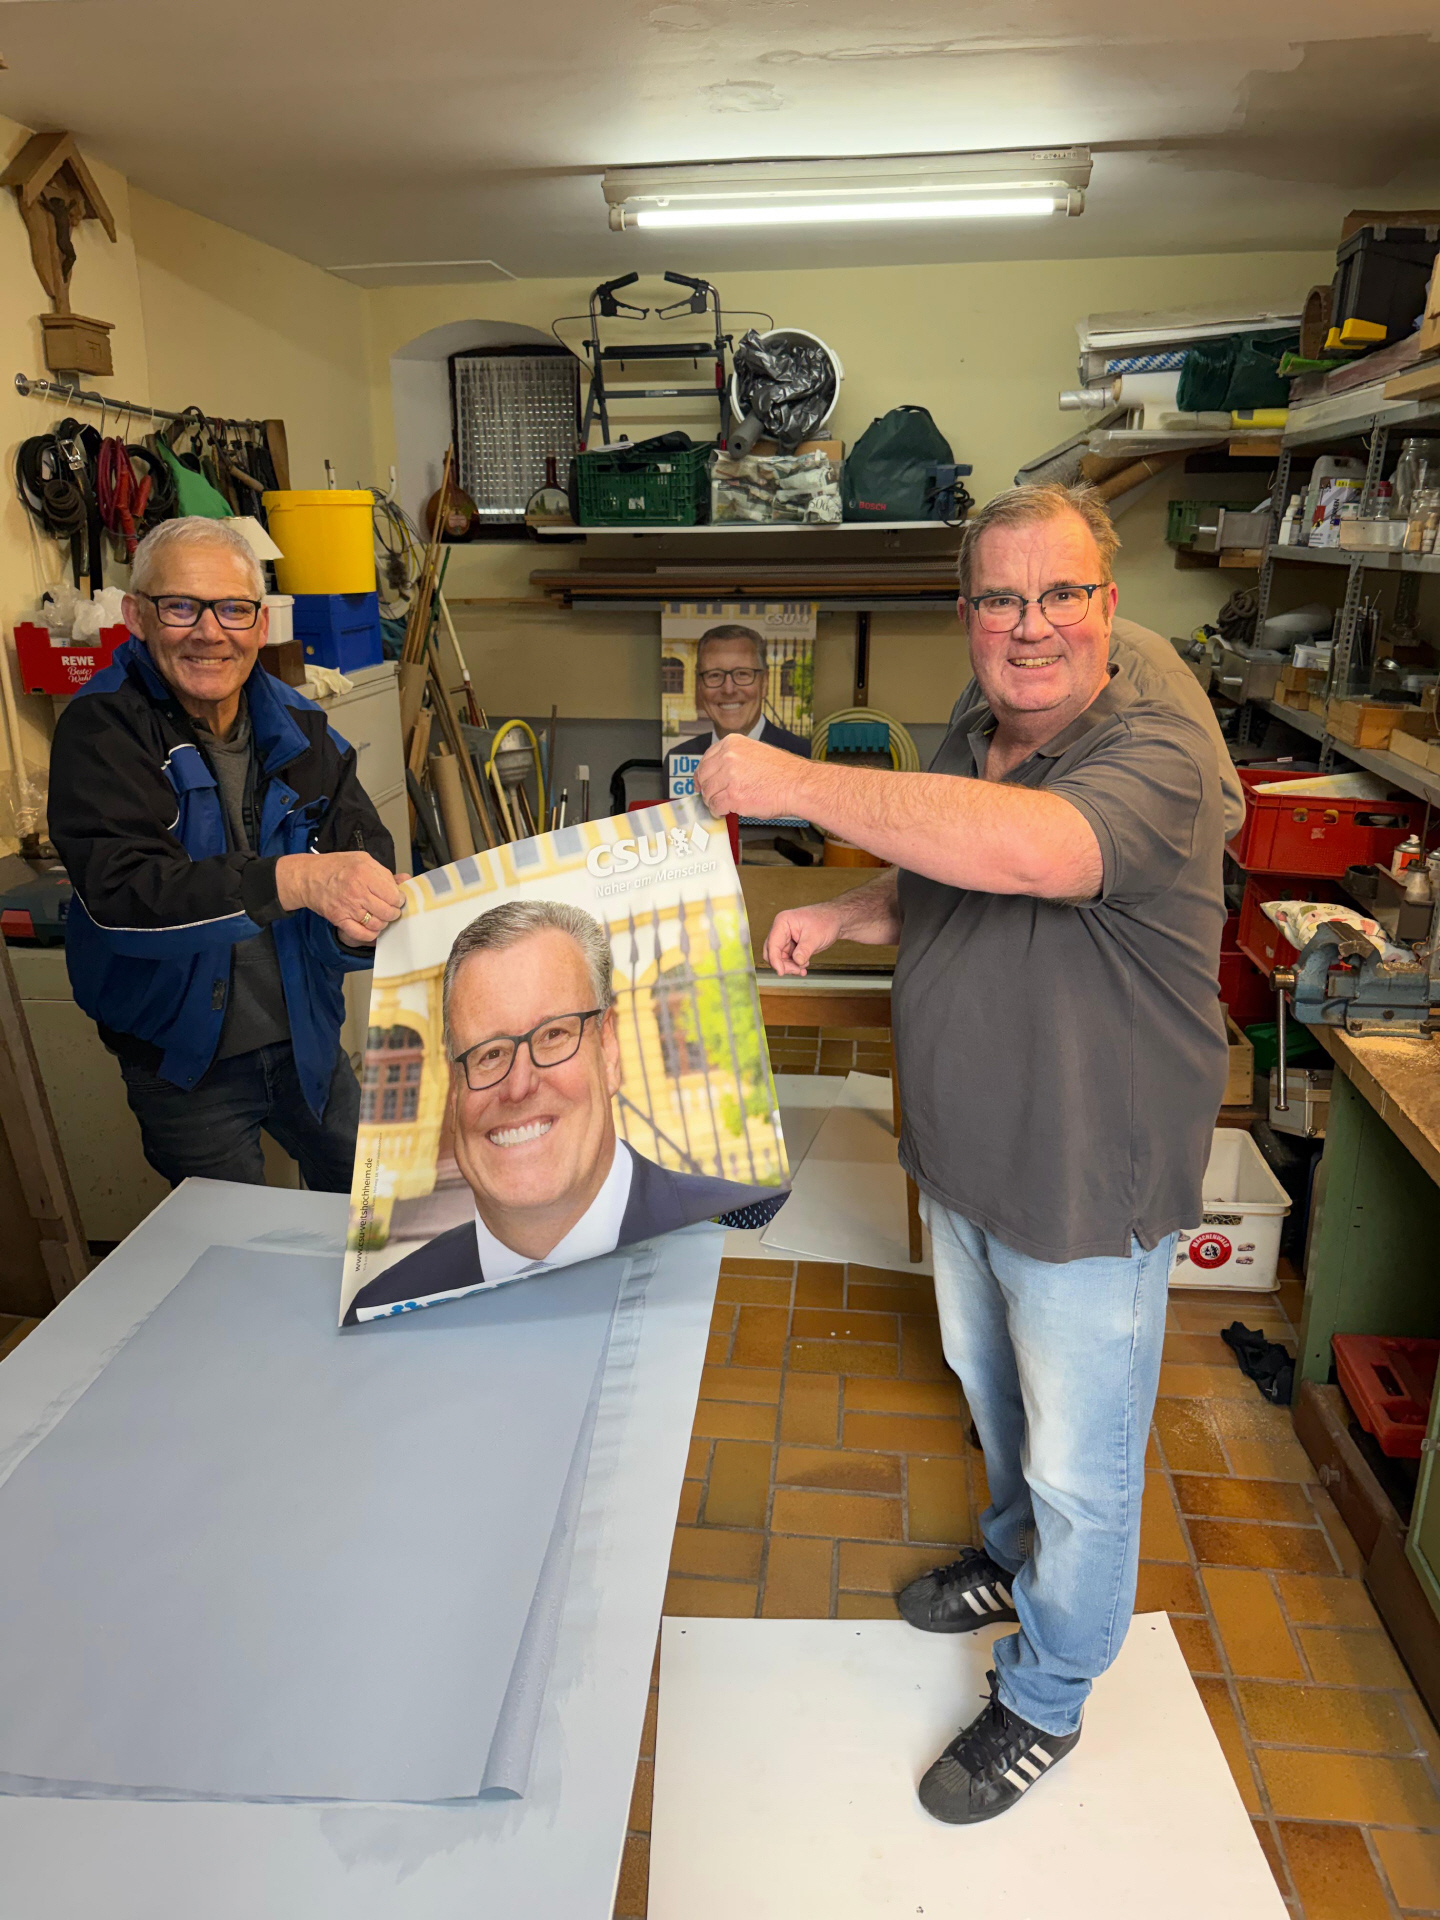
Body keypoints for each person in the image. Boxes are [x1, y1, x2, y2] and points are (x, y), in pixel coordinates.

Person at [696, 483, 1228, 1825]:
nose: (1031, 625)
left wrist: (792, 780)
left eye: (1061, 595)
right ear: (967, 614)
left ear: (1109, 607)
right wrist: (846, 910)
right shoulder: (977, 728)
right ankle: (1010, 1558)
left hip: (1084, 1177)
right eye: (1001, 598)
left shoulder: (1155, 751)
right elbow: (949, 857)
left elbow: (1036, 853)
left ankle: (1047, 1694)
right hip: (970, 1154)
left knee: (1082, 1471)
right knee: (998, 1405)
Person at [49, 516, 404, 1192]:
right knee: (236, 1242)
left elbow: (359, 844)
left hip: (308, 1037)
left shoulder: (301, 726)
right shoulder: (101, 732)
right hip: (185, 1065)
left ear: (261, 624)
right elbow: (125, 894)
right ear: (136, 616)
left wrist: (364, 913)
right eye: (181, 606)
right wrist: (293, 879)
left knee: (375, 1204)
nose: (210, 632)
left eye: (234, 610)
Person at [344, 899, 779, 1322]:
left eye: (553, 1035)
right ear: (454, 1090)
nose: (519, 1086)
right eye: (488, 1054)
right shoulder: (386, 1303)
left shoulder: (747, 1231)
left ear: (608, 1050)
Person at [666, 624, 810, 793]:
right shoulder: (678, 759)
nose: (729, 689)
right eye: (714, 675)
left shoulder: (804, 758)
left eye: (742, 674)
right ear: (700, 686)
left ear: (764, 683)